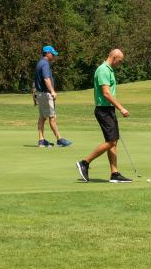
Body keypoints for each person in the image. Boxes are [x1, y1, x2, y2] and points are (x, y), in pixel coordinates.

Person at [76, 49, 132, 183]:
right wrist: (121, 108)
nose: (120, 63)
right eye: (120, 60)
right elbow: (106, 93)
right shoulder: (103, 70)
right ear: (113, 57)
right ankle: (85, 162)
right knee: (111, 141)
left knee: (113, 141)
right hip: (104, 110)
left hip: (108, 110)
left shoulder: (109, 70)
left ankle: (115, 173)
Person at [34, 45, 72, 148]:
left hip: (40, 93)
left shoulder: (39, 63)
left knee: (42, 117)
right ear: (47, 53)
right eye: (52, 54)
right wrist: (52, 91)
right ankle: (59, 140)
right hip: (46, 94)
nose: (53, 56)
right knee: (52, 117)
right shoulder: (45, 64)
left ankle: (41, 140)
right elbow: (46, 79)